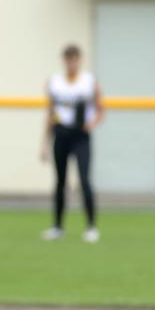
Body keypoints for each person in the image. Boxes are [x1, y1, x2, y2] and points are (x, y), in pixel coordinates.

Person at [41, 44, 104, 243]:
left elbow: (101, 108)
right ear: (63, 60)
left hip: (80, 135)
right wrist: (44, 142)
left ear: (80, 60)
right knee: (60, 182)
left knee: (84, 180)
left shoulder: (89, 82)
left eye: (74, 59)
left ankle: (91, 227)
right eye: (68, 59)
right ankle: (58, 227)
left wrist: (91, 123)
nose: (71, 63)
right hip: (61, 133)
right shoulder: (55, 82)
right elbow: (50, 114)